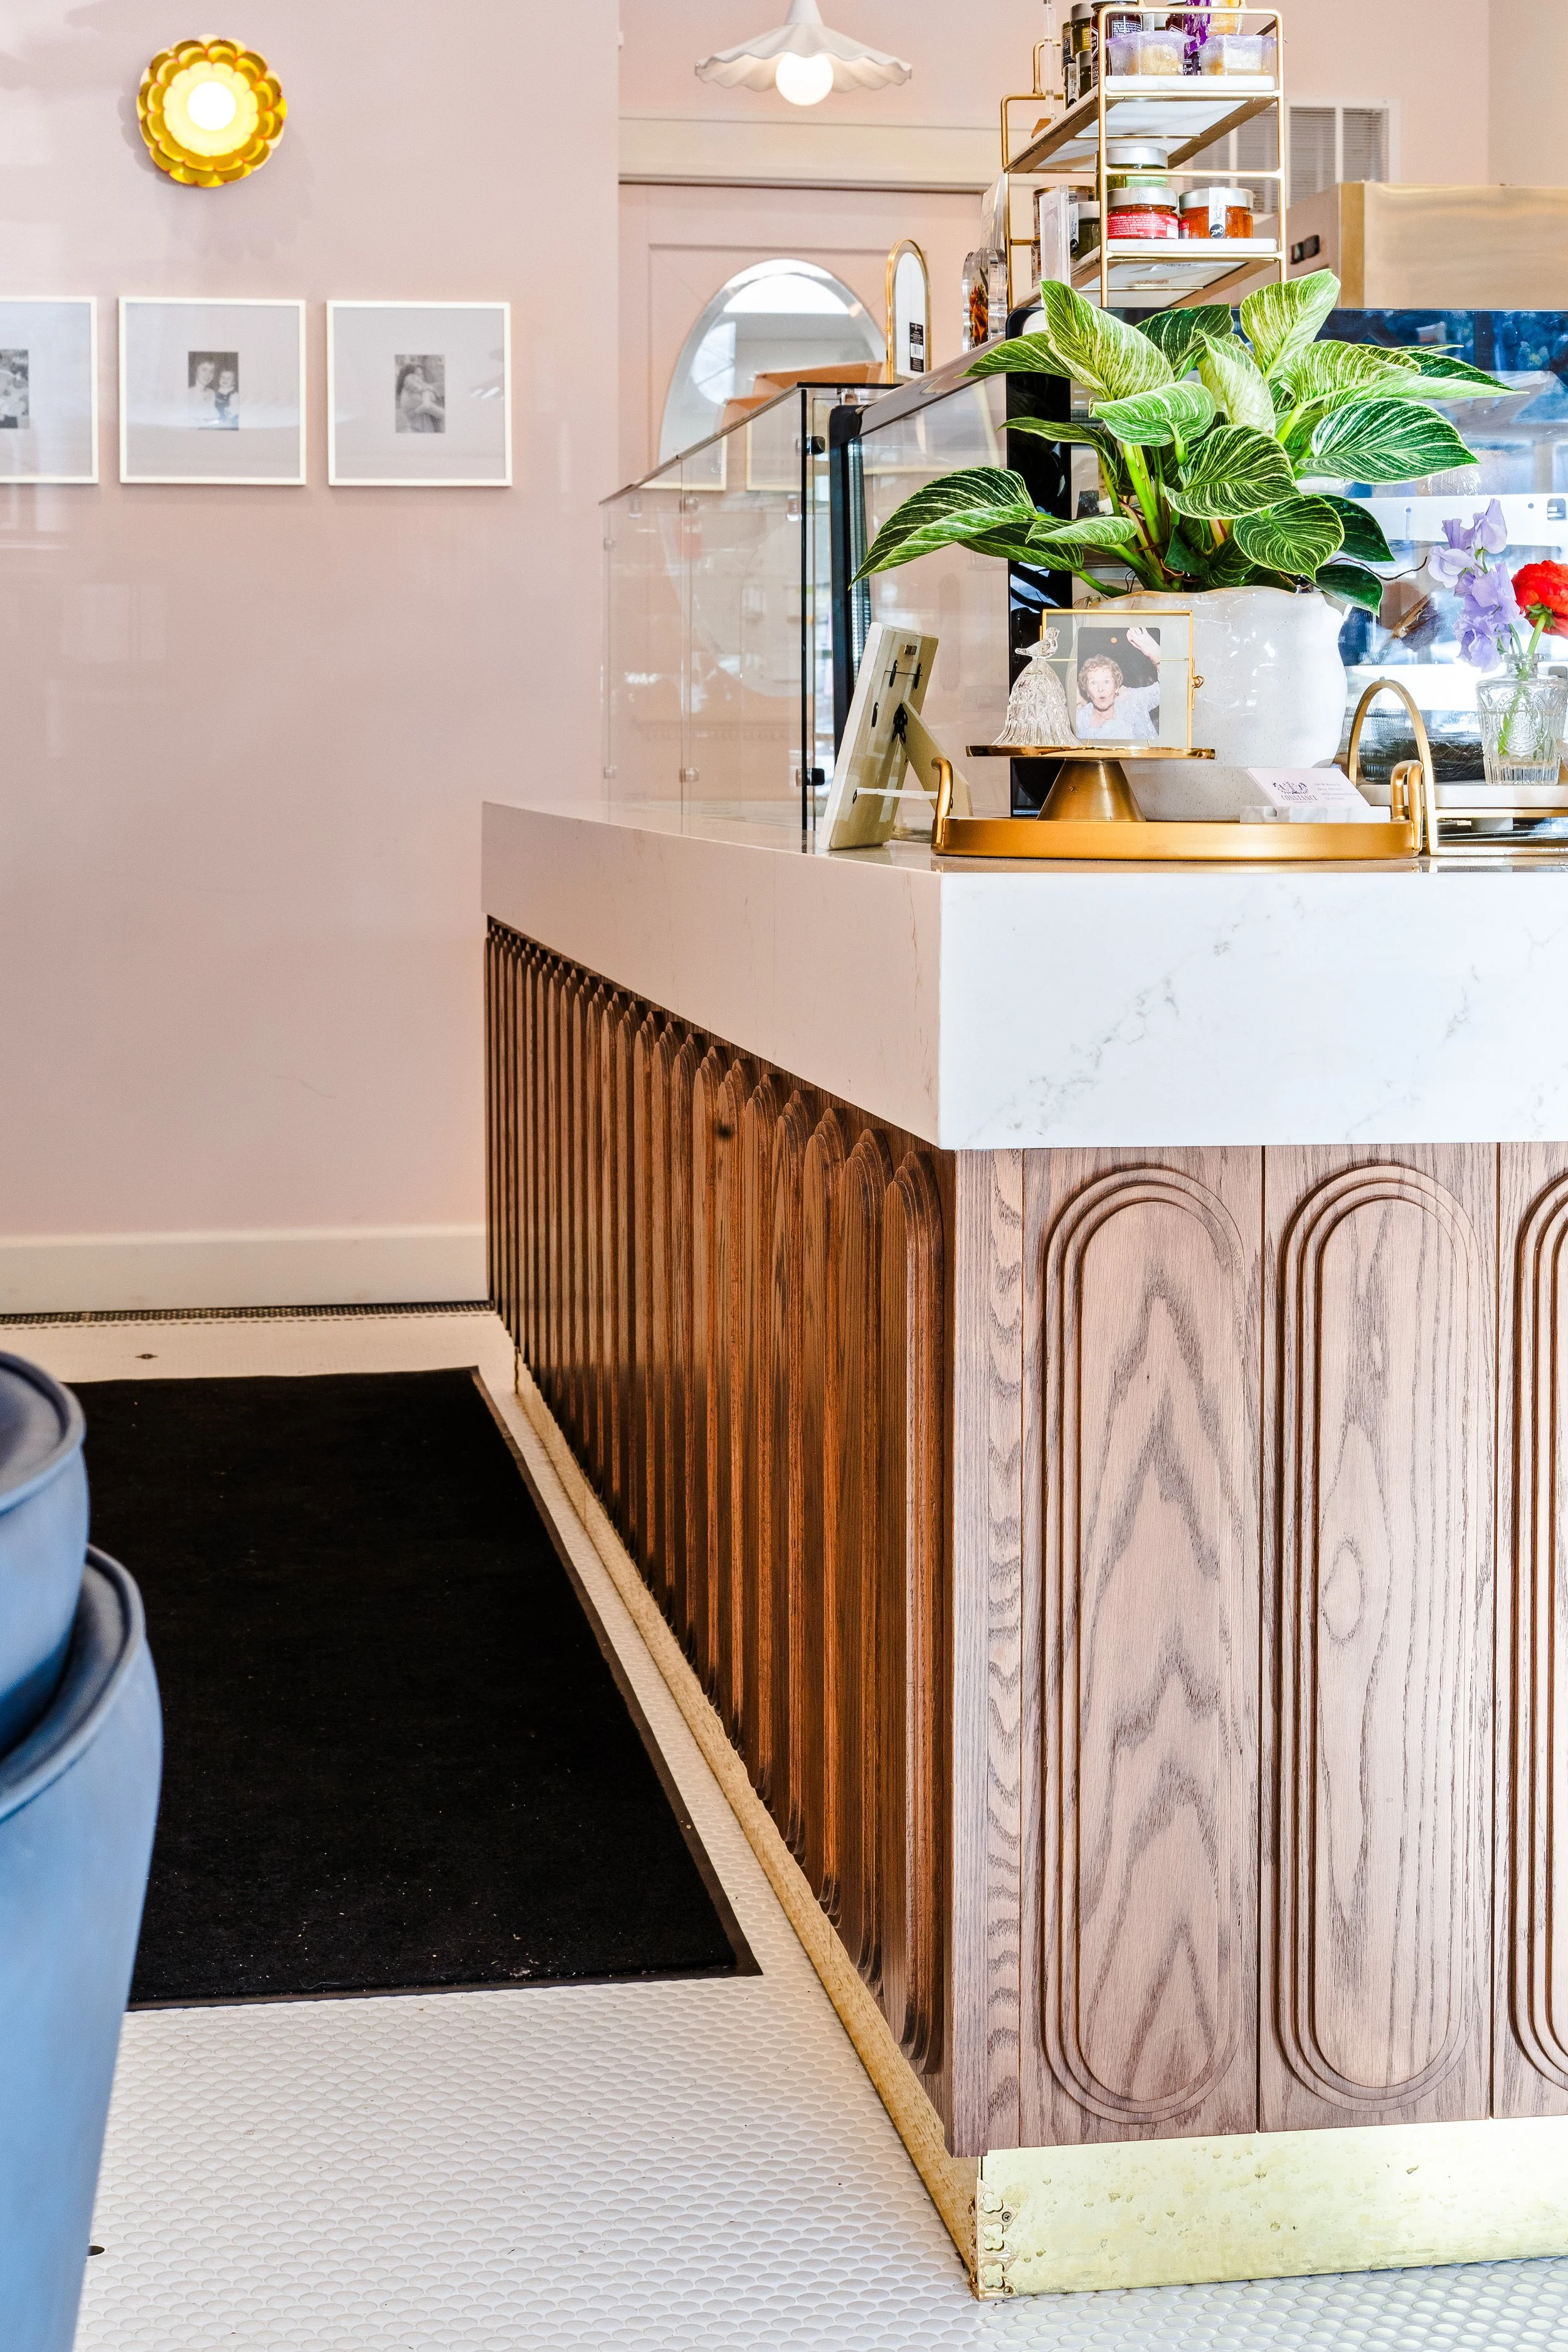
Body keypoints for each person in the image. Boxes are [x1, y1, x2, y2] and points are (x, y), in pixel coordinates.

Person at [1074, 625, 1163, 741]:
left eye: (1107, 682)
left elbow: (1166, 690)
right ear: (1086, 690)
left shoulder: (1132, 701)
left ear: (1117, 687)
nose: (1101, 688)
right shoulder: (1081, 718)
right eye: (1094, 683)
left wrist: (1157, 657)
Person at [395, 360, 443, 433]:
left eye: (422, 374)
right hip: (420, 431)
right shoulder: (413, 396)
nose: (422, 378)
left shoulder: (407, 392)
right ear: (409, 377)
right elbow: (439, 413)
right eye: (418, 375)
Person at [188, 356, 218, 426]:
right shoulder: (189, 393)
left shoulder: (212, 393)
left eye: (211, 371)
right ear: (196, 371)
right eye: (204, 370)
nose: (208, 374)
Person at [213, 366, 238, 430]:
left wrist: (230, 415)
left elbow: (235, 409)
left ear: (234, 382)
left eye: (228, 378)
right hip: (216, 416)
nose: (225, 380)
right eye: (223, 377)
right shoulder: (215, 392)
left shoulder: (234, 394)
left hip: (228, 419)